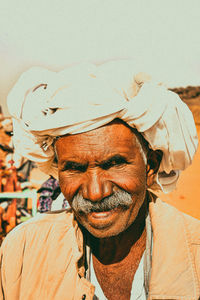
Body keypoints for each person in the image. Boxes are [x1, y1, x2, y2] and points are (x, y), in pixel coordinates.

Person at [0, 61, 199, 300]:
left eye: (114, 164)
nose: (95, 193)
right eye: (74, 168)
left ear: (151, 165)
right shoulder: (22, 255)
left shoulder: (195, 254)